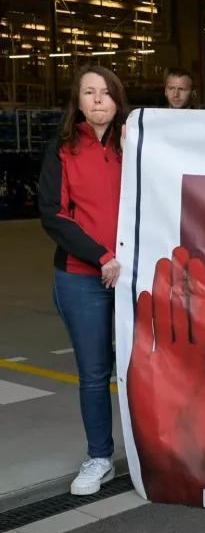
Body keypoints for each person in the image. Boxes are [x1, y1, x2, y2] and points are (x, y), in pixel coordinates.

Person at [38, 65, 128, 496]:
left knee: (148, 368)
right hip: (81, 278)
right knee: (94, 374)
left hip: (134, 276)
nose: (97, 100)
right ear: (77, 100)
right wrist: (101, 255)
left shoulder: (137, 144)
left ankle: (157, 451)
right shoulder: (63, 149)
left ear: (117, 99)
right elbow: (53, 214)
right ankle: (99, 458)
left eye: (105, 92)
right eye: (89, 92)